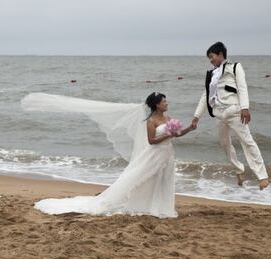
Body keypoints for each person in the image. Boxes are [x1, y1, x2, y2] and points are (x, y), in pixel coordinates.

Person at [21, 92, 195, 218]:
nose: (167, 103)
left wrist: (189, 128)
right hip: (154, 154)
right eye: (164, 101)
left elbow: (176, 134)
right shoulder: (151, 121)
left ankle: (161, 207)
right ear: (157, 104)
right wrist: (167, 135)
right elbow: (151, 140)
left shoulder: (168, 118)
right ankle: (144, 205)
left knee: (164, 180)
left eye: (166, 101)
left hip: (167, 154)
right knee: (142, 179)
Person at [191, 42, 269, 190]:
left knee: (247, 141)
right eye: (209, 58)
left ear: (220, 54)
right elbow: (205, 95)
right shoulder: (211, 74)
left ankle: (262, 176)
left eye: (212, 56)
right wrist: (196, 116)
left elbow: (242, 87)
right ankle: (239, 169)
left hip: (234, 111)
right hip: (219, 114)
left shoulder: (235, 67)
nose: (210, 60)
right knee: (224, 144)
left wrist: (245, 107)